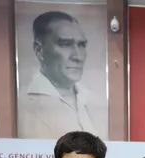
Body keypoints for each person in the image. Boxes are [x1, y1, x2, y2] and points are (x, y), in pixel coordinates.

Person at [18, 11, 105, 139]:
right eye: (65, 44)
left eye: (82, 45)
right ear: (39, 50)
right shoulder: (21, 105)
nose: (78, 56)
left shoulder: (97, 101)